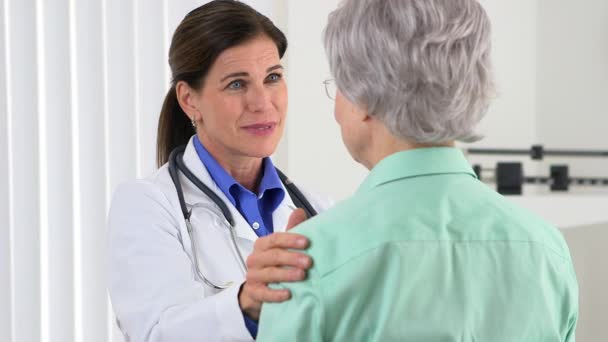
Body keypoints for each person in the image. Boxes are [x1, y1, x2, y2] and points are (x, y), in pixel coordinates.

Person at [257, 0, 579, 341]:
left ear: (364, 99)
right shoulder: (547, 250)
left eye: (338, 84)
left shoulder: (303, 263)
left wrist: (318, 248)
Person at [107, 1, 331, 341]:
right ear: (189, 100)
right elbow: (154, 334)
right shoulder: (148, 205)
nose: (262, 102)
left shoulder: (318, 209)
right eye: (237, 84)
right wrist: (246, 305)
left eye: (272, 77)